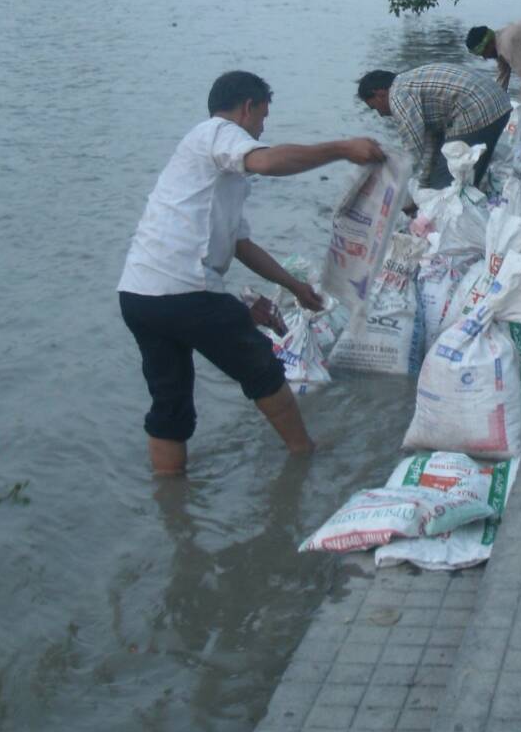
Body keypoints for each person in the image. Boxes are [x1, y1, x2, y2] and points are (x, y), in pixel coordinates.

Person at [118, 70, 385, 477]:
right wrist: (342, 149)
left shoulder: (214, 171)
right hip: (184, 291)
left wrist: (294, 287)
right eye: (263, 116)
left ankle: (169, 494)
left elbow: (240, 245)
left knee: (169, 401)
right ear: (247, 108)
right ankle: (304, 454)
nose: (263, 128)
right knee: (262, 369)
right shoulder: (216, 133)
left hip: (139, 295)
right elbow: (266, 160)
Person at [357, 64, 511, 188]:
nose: (381, 114)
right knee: (459, 173)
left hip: (478, 107)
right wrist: (424, 182)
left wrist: (397, 185)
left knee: (448, 180)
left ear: (379, 93)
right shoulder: (409, 84)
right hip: (499, 103)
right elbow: (430, 141)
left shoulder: (397, 96)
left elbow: (412, 148)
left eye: (375, 107)